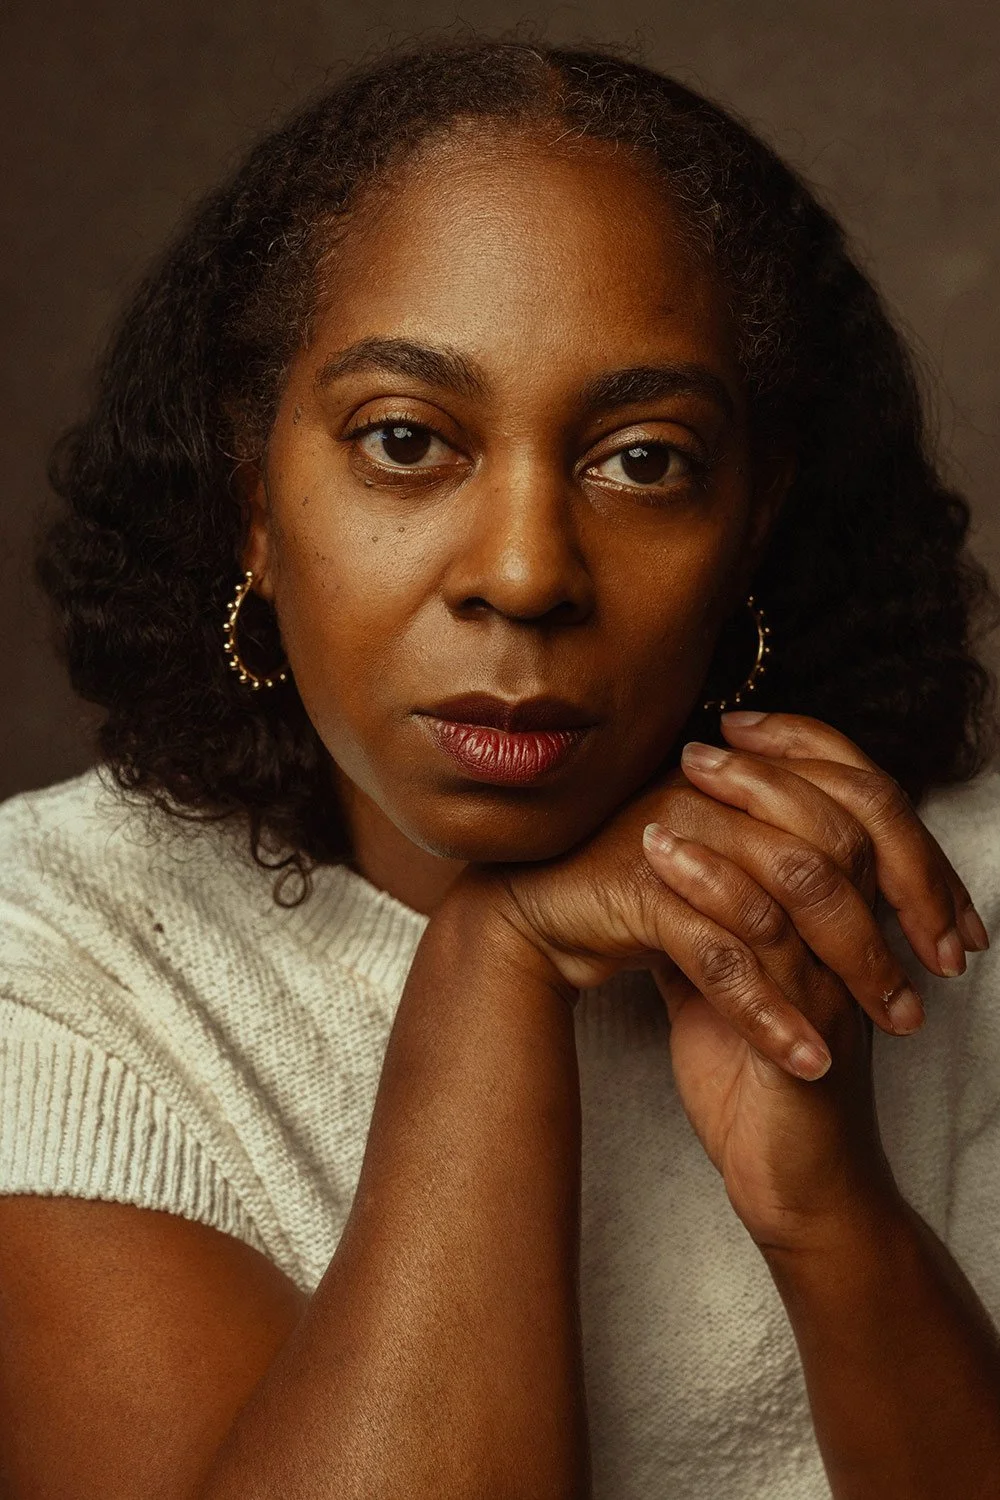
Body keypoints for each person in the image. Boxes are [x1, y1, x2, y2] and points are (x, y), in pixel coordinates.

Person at [0, 36, 999, 1500]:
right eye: (407, 441)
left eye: (644, 460)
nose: (525, 573)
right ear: (251, 498)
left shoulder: (963, 922)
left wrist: (833, 1216)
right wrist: (497, 961)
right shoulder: (55, 960)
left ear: (752, 522)